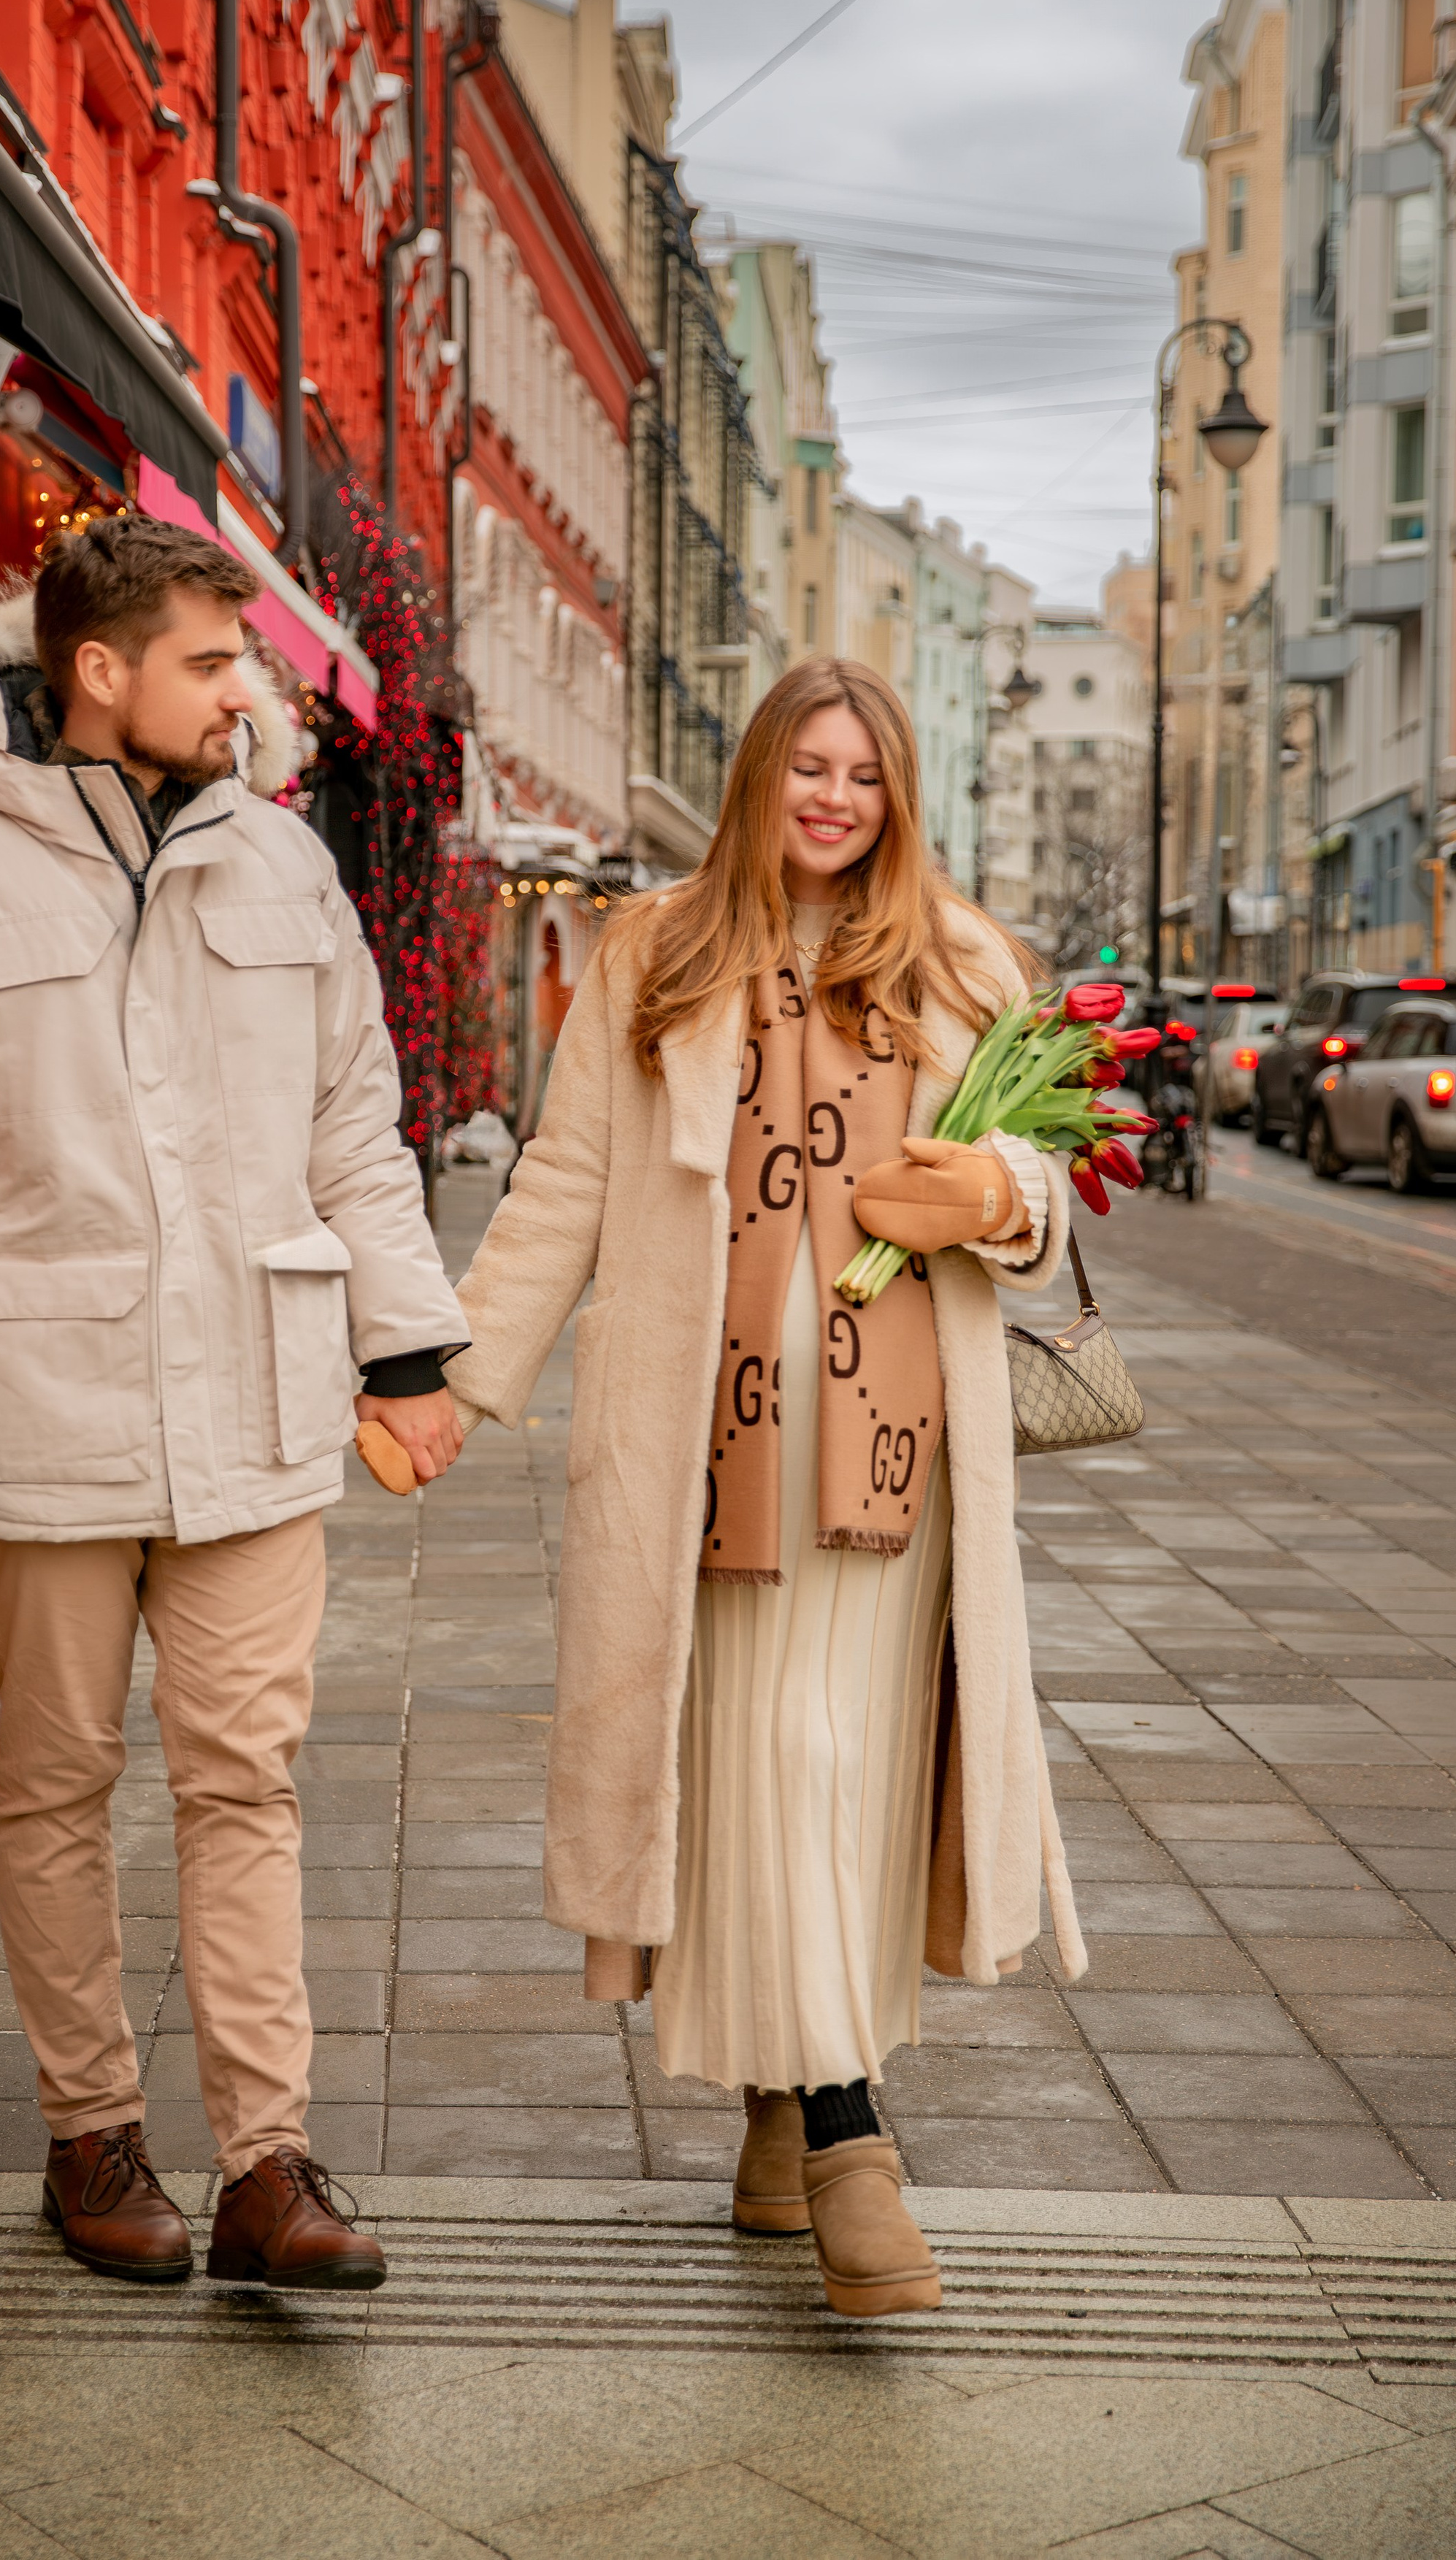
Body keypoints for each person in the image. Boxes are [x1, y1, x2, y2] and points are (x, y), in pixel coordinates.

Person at [0, 516, 467, 2291]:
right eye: (209, 661)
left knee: (247, 1784)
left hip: (259, 1412)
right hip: (47, 1419)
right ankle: (90, 2134)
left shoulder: (288, 871)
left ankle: (265, 2165)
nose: (244, 694)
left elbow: (354, 1125)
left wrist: (408, 1348)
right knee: (57, 1785)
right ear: (98, 672)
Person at [443, 658, 1087, 2318]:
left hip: (898, 1462)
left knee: (841, 1776)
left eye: (863, 776)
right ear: (757, 778)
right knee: (758, 1767)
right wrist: (454, 1380)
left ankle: (791, 2115)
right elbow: (567, 1180)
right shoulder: (651, 952)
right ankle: (843, 2135)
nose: (833, 800)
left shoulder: (963, 959)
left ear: (897, 798)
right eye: (809, 768)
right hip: (701, 1460)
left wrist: (997, 1194)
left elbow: (1048, 1183)